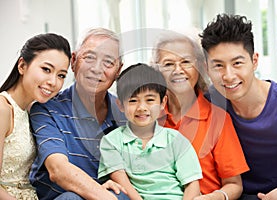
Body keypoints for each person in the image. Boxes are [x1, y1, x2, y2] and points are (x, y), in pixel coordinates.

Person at [200, 13, 277, 200]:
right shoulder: (209, 103)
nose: (228, 75)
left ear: (254, 61)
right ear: (207, 69)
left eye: (237, 63)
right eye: (218, 66)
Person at [29, 28, 129, 200]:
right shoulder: (47, 109)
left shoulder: (126, 114)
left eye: (108, 62)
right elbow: (59, 171)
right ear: (74, 61)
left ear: (118, 71)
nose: (96, 69)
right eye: (89, 57)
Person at [152, 30, 249, 200]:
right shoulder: (146, 117)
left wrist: (212, 198)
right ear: (156, 70)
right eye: (168, 64)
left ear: (199, 66)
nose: (178, 70)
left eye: (186, 62)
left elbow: (234, 184)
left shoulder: (217, 119)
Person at [98, 63, 202, 200]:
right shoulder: (111, 141)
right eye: (133, 100)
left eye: (150, 100)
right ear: (120, 105)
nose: (142, 107)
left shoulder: (176, 140)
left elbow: (192, 185)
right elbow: (123, 183)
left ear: (163, 103)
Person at [0, 33, 71, 199]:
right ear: (22, 66)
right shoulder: (3, 109)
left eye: (61, 75)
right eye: (46, 69)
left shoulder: (34, 111)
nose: (53, 82)